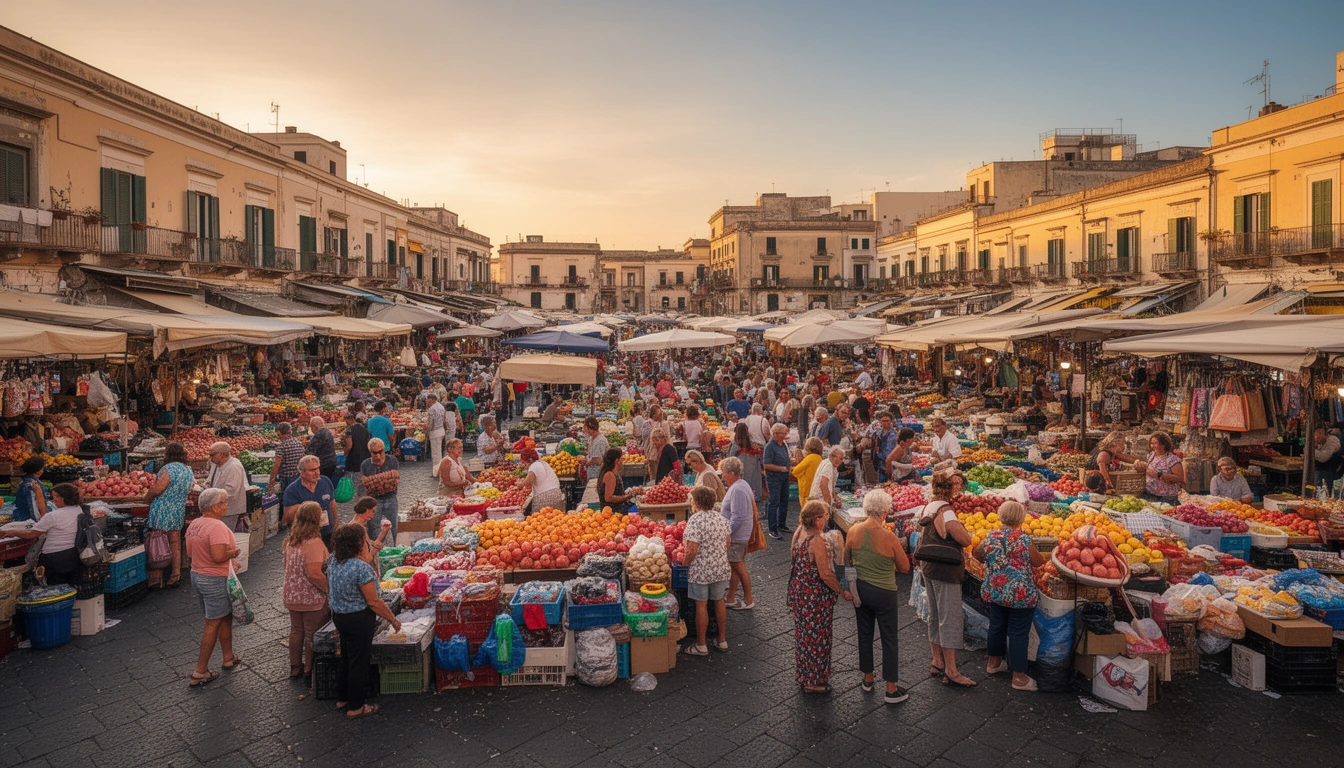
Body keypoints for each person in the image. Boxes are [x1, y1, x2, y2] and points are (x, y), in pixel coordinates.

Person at [325, 523, 400, 718]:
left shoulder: (333, 560)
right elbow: (373, 601)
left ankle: (342, 698)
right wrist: (392, 618)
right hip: (359, 619)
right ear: (358, 543)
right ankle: (356, 706)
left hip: (339, 617)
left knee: (346, 657)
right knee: (359, 661)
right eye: (364, 539)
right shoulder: (361, 569)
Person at [846, 489, 911, 704]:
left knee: (864, 635)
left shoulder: (853, 531)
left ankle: (867, 679)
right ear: (883, 512)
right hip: (884, 593)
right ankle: (891, 689)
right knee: (889, 639)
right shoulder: (889, 537)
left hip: (861, 591)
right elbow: (904, 567)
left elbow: (846, 561)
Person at [972, 500, 1043, 692]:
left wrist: (994, 563)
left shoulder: (990, 537)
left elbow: (976, 553)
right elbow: (1038, 562)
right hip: (1020, 594)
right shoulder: (1023, 539)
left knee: (996, 626)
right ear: (1020, 518)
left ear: (1001, 516)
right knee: (1018, 633)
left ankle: (993, 663)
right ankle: (1019, 677)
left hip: (995, 590)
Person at [915, 472, 975, 687]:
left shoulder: (929, 506)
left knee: (935, 614)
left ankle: (937, 661)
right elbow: (965, 539)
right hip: (945, 570)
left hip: (928, 566)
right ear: (950, 489)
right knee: (948, 618)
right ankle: (951, 670)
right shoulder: (947, 512)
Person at [788, 500, 852, 694]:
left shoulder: (800, 531)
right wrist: (842, 590)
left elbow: (794, 557)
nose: (827, 518)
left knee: (804, 637)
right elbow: (825, 574)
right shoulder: (816, 541)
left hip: (800, 592)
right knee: (818, 638)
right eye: (825, 515)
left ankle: (805, 674)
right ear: (816, 520)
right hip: (815, 597)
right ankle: (814, 681)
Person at [184, 487, 242, 687]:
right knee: (212, 623)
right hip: (214, 579)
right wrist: (234, 553)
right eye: (223, 502)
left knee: (223, 617)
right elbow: (218, 557)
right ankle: (200, 671)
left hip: (197, 575)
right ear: (214, 506)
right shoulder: (217, 527)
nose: (226, 506)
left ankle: (228, 657)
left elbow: (190, 554)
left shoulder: (195, 524)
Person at [682, 485, 733, 656]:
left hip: (701, 570)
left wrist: (685, 563)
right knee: (719, 601)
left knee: (701, 605)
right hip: (720, 568)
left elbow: (692, 550)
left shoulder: (695, 520)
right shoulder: (721, 519)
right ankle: (722, 640)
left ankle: (701, 645)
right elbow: (727, 543)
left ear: (696, 502)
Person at [283, 501, 330, 679]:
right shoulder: (314, 543)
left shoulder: (291, 541)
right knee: (312, 632)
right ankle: (309, 669)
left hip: (292, 594)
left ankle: (295, 666)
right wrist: (328, 589)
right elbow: (315, 574)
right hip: (310, 596)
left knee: (296, 630)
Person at [12, 483, 84, 585]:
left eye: (56, 497)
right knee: (69, 586)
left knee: (53, 586)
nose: (53, 500)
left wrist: (10, 532)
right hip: (72, 555)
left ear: (64, 497)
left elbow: (32, 534)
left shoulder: (53, 516)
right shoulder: (77, 509)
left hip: (54, 558)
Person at [145, 441, 193, 587]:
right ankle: (175, 574)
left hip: (163, 508)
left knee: (157, 540)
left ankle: (156, 578)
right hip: (178, 509)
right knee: (175, 542)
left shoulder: (168, 469)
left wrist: (146, 499)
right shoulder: (187, 470)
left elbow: (157, 489)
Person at [719, 456, 756, 611]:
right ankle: (731, 597)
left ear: (732, 473)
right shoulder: (741, 485)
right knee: (735, 566)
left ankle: (749, 600)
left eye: (724, 473)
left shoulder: (738, 489)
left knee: (739, 566)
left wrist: (727, 533)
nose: (722, 476)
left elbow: (738, 516)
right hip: (739, 535)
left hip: (737, 536)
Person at [283, 456, 337, 542]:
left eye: (318, 468)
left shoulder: (326, 481)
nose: (317, 473)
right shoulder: (292, 490)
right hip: (306, 537)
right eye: (312, 470)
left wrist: (335, 527)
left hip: (327, 533)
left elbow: (332, 505)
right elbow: (288, 518)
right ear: (302, 472)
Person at [359, 439, 400, 539]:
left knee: (393, 526)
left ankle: (393, 547)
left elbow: (394, 481)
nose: (378, 456)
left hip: (390, 498)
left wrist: (372, 481)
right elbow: (365, 485)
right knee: (373, 527)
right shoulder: (365, 465)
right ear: (370, 452)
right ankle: (375, 551)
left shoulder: (392, 460)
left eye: (380, 452)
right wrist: (385, 479)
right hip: (374, 501)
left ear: (384, 450)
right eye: (374, 453)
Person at [1135, 432, 1185, 505]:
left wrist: (1159, 475)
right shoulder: (1152, 455)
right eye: (1152, 443)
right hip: (1150, 494)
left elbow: (1179, 478)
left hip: (1166, 498)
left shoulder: (1172, 459)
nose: (1153, 446)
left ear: (1163, 445)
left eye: (1156, 443)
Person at [205, 442, 248, 525]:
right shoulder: (216, 464)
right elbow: (210, 479)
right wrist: (207, 486)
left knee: (225, 533)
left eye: (212, 455)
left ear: (221, 454)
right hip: (217, 507)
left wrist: (213, 497)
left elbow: (231, 491)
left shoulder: (234, 467)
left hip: (228, 510)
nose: (210, 458)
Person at [763, 423, 793, 539]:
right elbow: (766, 464)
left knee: (784, 500)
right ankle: (772, 528)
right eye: (784, 433)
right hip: (774, 477)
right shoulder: (770, 447)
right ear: (776, 434)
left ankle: (781, 524)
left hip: (784, 477)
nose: (786, 435)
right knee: (774, 501)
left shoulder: (783, 444)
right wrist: (781, 468)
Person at [519, 447, 564, 513]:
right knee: (555, 517)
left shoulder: (534, 466)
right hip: (556, 494)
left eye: (524, 462)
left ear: (529, 460)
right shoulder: (543, 463)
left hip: (544, 497)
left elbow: (528, 484)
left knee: (539, 519)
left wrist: (520, 485)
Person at [727, 422, 763, 504]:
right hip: (753, 467)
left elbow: (730, 456)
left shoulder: (736, 444)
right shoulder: (752, 443)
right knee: (752, 482)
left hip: (741, 467)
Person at [269, 422, 306, 498]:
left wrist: (271, 481)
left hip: (287, 479)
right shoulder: (299, 443)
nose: (279, 437)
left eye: (279, 435)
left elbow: (276, 465)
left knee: (287, 499)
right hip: (299, 476)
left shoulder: (281, 446)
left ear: (282, 433)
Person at [14, 456, 50, 522]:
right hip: (27, 519)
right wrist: (41, 520)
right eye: (42, 468)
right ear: (38, 471)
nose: (43, 471)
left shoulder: (26, 481)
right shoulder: (31, 485)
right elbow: (33, 505)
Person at [791, 437, 825, 504]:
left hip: (806, 491)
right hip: (815, 489)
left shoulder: (809, 458)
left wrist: (792, 468)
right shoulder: (819, 458)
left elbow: (796, 471)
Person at [810, 446, 845, 510]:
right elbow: (823, 484)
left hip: (817, 500)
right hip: (818, 501)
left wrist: (835, 497)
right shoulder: (829, 465)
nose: (838, 460)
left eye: (841, 459)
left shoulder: (830, 465)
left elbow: (831, 486)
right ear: (831, 456)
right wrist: (828, 503)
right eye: (836, 457)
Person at [1313, 426, 1344, 492]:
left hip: (1330, 473)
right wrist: (1315, 445)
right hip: (1321, 472)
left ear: (1321, 432)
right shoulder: (1321, 442)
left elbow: (1323, 457)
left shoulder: (1332, 440)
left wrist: (1311, 451)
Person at [426, 393, 447, 477]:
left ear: (431, 400)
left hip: (435, 432)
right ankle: (440, 470)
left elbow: (431, 423)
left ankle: (436, 472)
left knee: (435, 454)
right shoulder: (441, 407)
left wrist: (428, 430)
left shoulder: (432, 409)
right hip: (441, 430)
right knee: (439, 452)